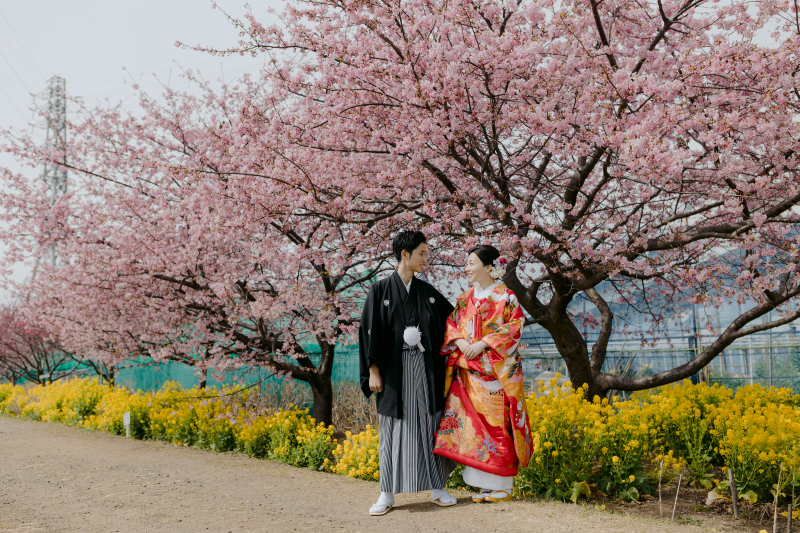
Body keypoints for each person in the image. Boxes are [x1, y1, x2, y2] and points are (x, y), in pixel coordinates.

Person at [358, 230, 458, 516]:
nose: (426, 258)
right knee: (391, 429)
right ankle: (386, 494)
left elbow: (453, 319)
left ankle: (438, 487)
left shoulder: (426, 292)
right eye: (422, 253)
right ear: (405, 255)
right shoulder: (380, 290)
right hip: (392, 372)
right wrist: (372, 370)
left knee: (430, 424)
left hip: (425, 370)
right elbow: (369, 331)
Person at [432, 245, 534, 503]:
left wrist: (485, 343)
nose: (466, 268)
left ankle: (502, 486)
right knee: (473, 429)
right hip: (468, 373)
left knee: (496, 427)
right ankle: (485, 485)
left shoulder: (506, 297)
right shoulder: (465, 298)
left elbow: (515, 327)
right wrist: (460, 343)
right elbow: (452, 324)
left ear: (489, 266)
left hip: (494, 375)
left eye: (471, 262)